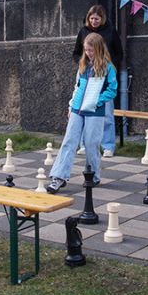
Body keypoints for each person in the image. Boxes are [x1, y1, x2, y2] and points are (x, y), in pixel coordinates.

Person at [47, 33, 118, 193]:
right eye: (86, 50)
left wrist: (97, 100)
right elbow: (77, 87)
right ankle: (58, 177)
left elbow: (112, 90)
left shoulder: (108, 68)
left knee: (91, 143)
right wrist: (71, 106)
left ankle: (93, 175)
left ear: (99, 49)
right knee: (69, 141)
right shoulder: (83, 65)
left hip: (95, 111)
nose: (88, 53)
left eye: (91, 50)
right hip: (77, 109)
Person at [72, 5, 122, 158]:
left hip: (103, 71)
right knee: (84, 109)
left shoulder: (110, 31)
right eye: (92, 18)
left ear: (102, 19)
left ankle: (108, 145)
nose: (94, 21)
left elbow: (119, 52)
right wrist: (84, 64)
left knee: (106, 112)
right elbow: (76, 53)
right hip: (86, 72)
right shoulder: (83, 31)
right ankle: (84, 144)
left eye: (97, 19)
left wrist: (108, 65)